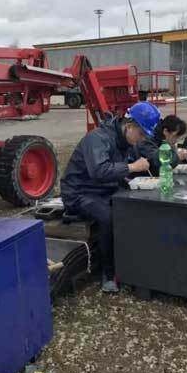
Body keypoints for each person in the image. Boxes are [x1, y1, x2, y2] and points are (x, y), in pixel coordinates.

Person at [60, 102, 158, 293]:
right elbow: (99, 171)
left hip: (102, 189)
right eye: (141, 134)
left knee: (134, 204)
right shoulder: (97, 138)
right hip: (79, 192)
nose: (141, 140)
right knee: (108, 217)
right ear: (129, 126)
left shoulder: (123, 141)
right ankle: (108, 272)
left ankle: (133, 260)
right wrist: (131, 167)